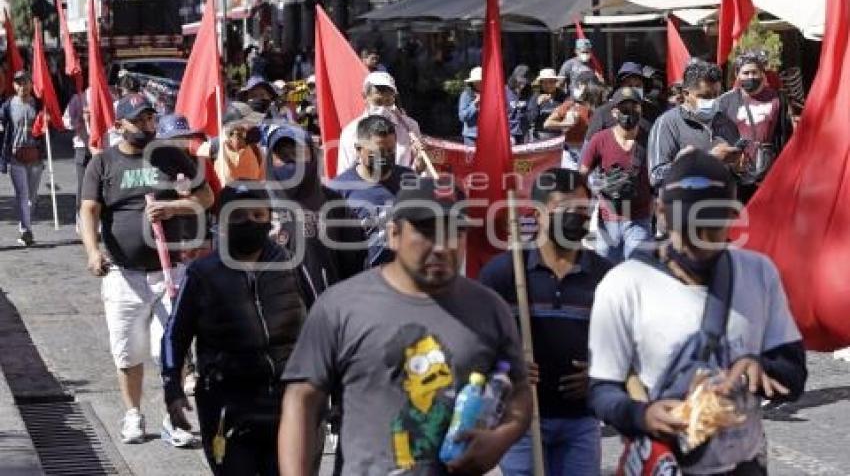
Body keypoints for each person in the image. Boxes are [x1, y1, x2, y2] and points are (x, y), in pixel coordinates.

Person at [278, 177, 532, 475]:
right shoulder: (340, 307)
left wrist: (502, 437)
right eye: (426, 230)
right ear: (393, 234)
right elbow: (302, 399)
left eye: (454, 231)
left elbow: (518, 389)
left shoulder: (490, 309)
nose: (440, 246)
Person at [588, 150, 807, 475]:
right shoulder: (624, 284)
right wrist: (641, 415)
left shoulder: (759, 273)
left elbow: (795, 375)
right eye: (689, 227)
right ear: (661, 213)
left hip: (743, 466)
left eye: (712, 227)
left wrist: (757, 369)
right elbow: (600, 390)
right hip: (667, 463)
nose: (701, 242)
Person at [79, 93, 214, 445]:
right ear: (118, 125)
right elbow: (89, 210)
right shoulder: (103, 164)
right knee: (127, 351)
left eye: (150, 118)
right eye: (138, 120)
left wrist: (175, 208)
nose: (146, 125)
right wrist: (93, 252)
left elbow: (206, 198)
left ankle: (176, 419)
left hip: (171, 273)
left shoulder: (171, 156)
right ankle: (133, 414)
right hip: (124, 276)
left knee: (171, 348)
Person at [162, 183, 306, 475]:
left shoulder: (290, 265)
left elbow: (322, 324)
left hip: (287, 399)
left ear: (269, 218)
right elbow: (175, 334)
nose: (249, 223)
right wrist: (172, 386)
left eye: (257, 215)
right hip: (226, 403)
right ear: (222, 223)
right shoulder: (202, 274)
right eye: (239, 216)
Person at [479, 168, 611, 476]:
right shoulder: (504, 275)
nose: (577, 217)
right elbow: (476, 348)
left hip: (581, 422)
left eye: (583, 210)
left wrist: (598, 375)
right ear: (538, 214)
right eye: (566, 210)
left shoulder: (606, 276)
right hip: (522, 420)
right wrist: (507, 368)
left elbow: (624, 348)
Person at [265, 122, 365, 304]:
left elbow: (355, 259)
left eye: (298, 153)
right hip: (276, 315)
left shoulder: (334, 202)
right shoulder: (258, 204)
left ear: (312, 155)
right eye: (283, 155)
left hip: (327, 310)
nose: (291, 161)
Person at [331, 115, 416, 268]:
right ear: (358, 150)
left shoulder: (410, 180)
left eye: (391, 150)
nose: (385, 157)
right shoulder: (338, 190)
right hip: (362, 282)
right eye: (378, 151)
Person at [580, 88, 653, 264]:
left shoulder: (650, 137)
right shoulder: (600, 139)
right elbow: (582, 173)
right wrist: (598, 186)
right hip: (607, 219)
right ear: (614, 112)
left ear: (640, 110)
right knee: (604, 270)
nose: (628, 113)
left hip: (639, 218)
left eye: (633, 107)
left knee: (638, 269)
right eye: (623, 109)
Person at [647, 60, 741, 189]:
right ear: (686, 94)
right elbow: (656, 177)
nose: (712, 101)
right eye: (705, 96)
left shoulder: (725, 123)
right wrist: (707, 160)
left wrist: (738, 168)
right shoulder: (667, 123)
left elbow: (737, 178)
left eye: (716, 95)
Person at [718, 52, 782, 200]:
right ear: (737, 74)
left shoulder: (777, 99)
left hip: (769, 173)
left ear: (762, 73)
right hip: (736, 175)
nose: (750, 77)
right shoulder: (725, 102)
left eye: (754, 72)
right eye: (746, 73)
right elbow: (717, 136)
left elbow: (785, 134)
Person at [336, 71, 422, 174]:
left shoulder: (410, 127)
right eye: (378, 102)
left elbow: (416, 171)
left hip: (402, 188)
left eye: (388, 101)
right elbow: (345, 173)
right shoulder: (351, 131)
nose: (383, 108)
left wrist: (418, 166)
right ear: (364, 96)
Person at [0, 70, 45, 246]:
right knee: (22, 194)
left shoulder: (39, 104)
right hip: (16, 156)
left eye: (25, 82)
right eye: (19, 83)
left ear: (31, 84)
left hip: (35, 155)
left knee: (31, 197)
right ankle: (26, 230)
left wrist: (47, 124)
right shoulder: (7, 105)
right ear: (14, 85)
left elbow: (49, 130)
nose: (22, 86)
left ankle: (25, 224)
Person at [584, 62, 660, 143]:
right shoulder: (602, 113)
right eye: (629, 85)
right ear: (619, 88)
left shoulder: (654, 112)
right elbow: (589, 147)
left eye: (638, 86)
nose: (633, 89)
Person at [542, 75, 592, 169]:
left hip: (589, 148)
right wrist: (567, 124)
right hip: (570, 149)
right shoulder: (570, 104)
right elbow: (547, 124)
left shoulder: (595, 105)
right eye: (579, 85)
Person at [214, 102, 266, 186]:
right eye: (249, 123)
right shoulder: (215, 149)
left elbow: (262, 183)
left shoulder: (256, 151)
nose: (254, 126)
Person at [63, 86, 91, 233]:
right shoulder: (77, 98)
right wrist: (79, 121)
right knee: (82, 185)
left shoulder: (106, 95)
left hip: (100, 146)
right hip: (81, 146)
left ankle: (97, 220)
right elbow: (66, 121)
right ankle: (80, 220)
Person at [527, 68, 568, 141]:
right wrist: (537, 104)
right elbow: (530, 119)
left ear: (555, 82)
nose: (548, 85)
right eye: (545, 83)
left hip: (560, 136)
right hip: (541, 136)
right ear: (541, 83)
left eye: (551, 82)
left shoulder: (563, 96)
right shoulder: (536, 97)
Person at [458, 66, 484, 146]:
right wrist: (475, 104)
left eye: (480, 81)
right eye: (476, 81)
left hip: (487, 135)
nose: (478, 83)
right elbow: (462, 117)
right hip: (471, 137)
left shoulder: (489, 93)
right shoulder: (466, 95)